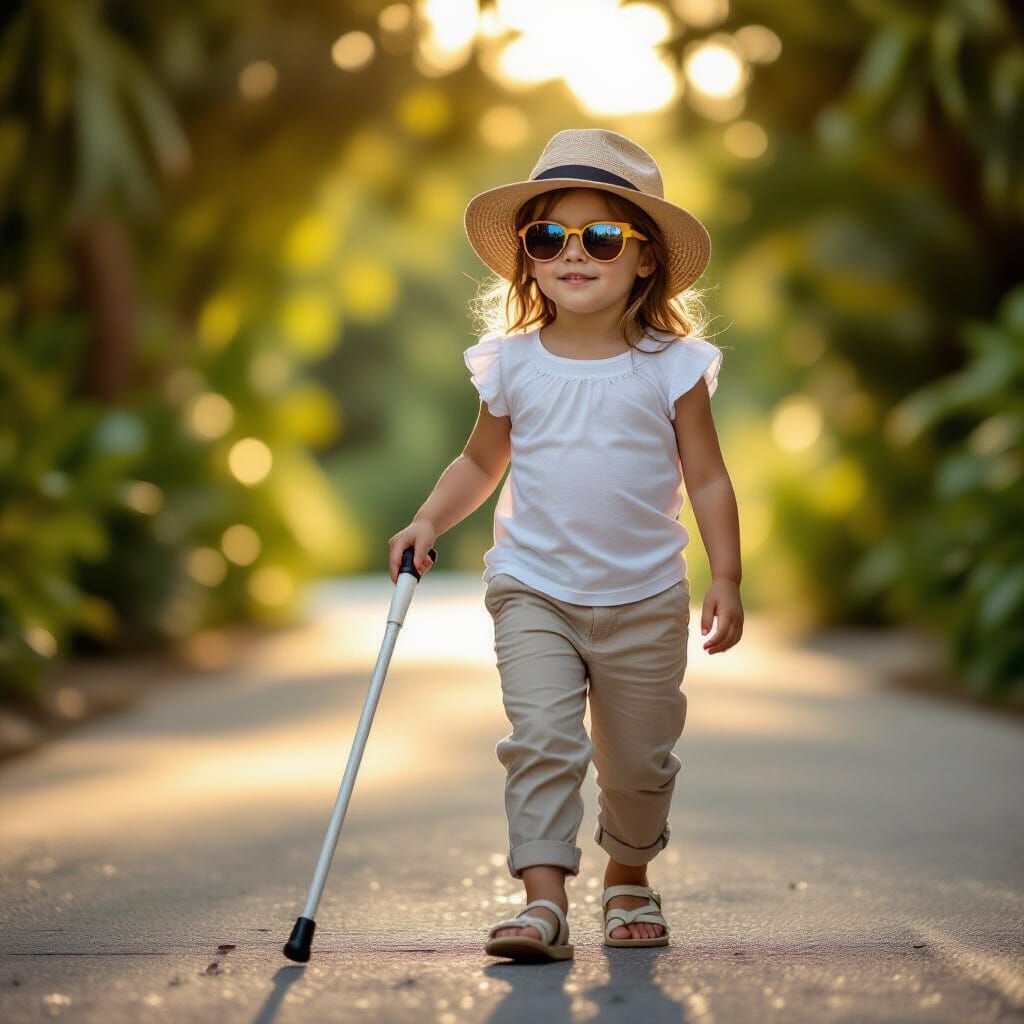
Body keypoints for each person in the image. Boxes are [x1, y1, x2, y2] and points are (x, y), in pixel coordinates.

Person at [387, 128, 743, 961]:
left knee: (638, 762)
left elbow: (711, 479)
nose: (572, 254)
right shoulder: (511, 364)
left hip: (646, 595)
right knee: (542, 739)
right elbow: (481, 460)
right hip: (534, 588)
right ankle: (542, 901)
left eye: (602, 237)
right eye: (548, 238)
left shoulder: (671, 366)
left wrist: (726, 572)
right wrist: (429, 521)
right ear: (528, 259)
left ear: (645, 258)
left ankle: (628, 878)